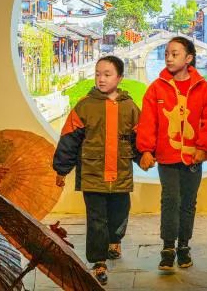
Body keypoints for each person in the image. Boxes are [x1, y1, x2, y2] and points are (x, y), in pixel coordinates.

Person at [52, 55, 141, 285]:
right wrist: (61, 169)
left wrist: (145, 157)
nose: (101, 79)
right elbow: (69, 140)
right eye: (98, 74)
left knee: (120, 213)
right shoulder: (84, 106)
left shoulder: (130, 107)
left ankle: (115, 240)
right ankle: (98, 261)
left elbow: (138, 139)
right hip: (92, 174)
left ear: (119, 78)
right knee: (96, 219)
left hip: (120, 174)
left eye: (107, 74)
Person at [136, 36, 207, 271]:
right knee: (170, 200)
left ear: (189, 58)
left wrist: (203, 147)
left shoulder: (203, 88)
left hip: (193, 157)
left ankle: (184, 245)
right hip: (167, 157)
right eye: (166, 54)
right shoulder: (156, 88)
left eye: (175, 54)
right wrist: (146, 150)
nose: (169, 58)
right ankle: (168, 247)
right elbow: (148, 121)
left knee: (188, 202)